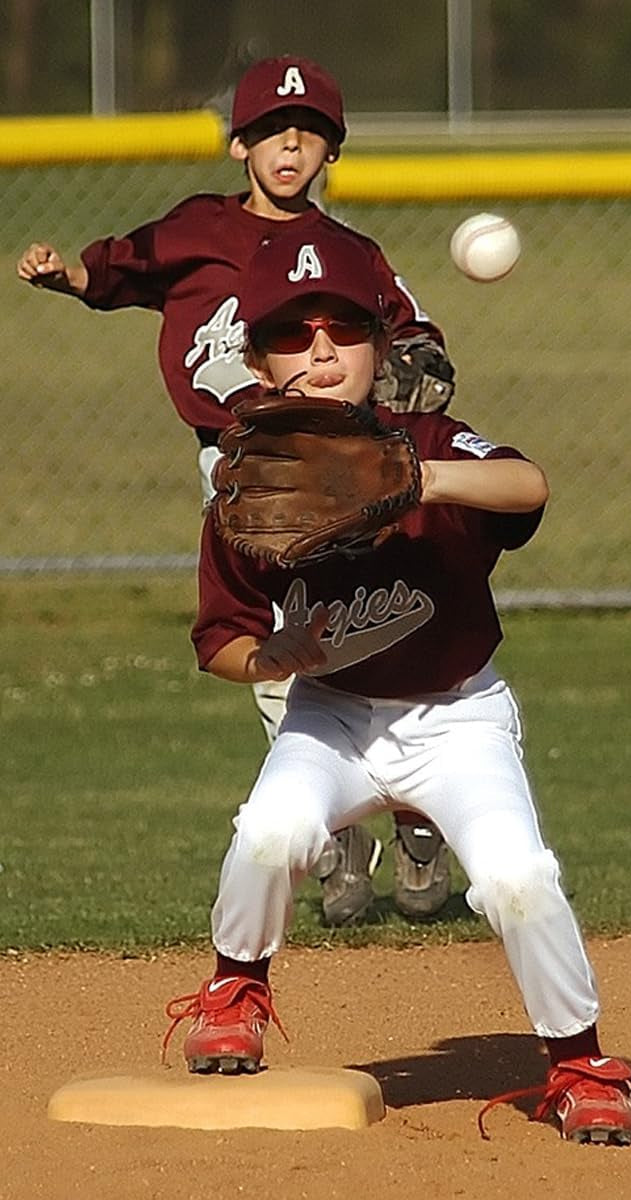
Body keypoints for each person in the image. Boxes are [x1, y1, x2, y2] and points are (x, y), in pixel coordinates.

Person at [161, 222, 631, 1147]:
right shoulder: (250, 479)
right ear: (257, 361)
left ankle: (579, 1063)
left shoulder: (428, 440)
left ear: (380, 344)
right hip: (332, 717)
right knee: (271, 830)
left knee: (516, 877)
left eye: (342, 331)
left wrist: (422, 478)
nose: (322, 352)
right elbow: (219, 636)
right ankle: (236, 987)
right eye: (294, 337)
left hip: (458, 719)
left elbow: (529, 486)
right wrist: (271, 661)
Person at [16, 55, 454, 927]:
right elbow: (121, 271)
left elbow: (413, 330)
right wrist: (67, 278)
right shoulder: (196, 231)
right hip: (233, 462)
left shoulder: (347, 252)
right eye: (269, 132)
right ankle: (334, 848)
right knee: (273, 648)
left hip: (339, 465)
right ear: (239, 146)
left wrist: (422, 365)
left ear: (332, 152)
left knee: (374, 626)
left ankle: (414, 811)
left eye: (310, 134)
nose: (290, 145)